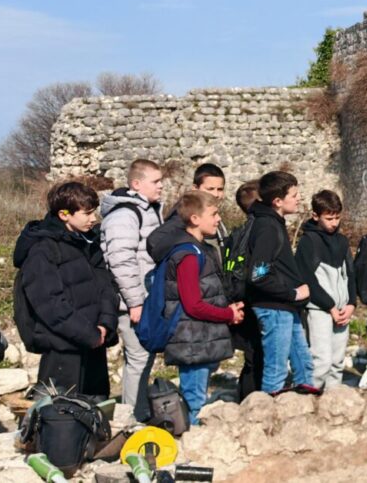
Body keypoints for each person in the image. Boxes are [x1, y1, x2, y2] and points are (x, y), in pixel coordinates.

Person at [13, 181, 117, 399]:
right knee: (59, 414)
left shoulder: (88, 242)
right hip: (62, 350)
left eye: (94, 212)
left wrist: (105, 324)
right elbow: (50, 304)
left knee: (96, 410)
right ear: (64, 215)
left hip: (95, 343)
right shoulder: (42, 250)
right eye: (87, 213)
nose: (93, 218)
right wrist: (88, 334)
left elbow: (106, 286)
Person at [162, 191, 243, 424]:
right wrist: (227, 314)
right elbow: (193, 305)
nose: (219, 219)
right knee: (195, 400)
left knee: (198, 396)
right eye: (214, 214)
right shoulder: (187, 254)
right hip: (192, 339)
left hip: (200, 338)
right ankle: (192, 441)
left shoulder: (202, 249)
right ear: (195, 219)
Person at [100, 159, 164, 420]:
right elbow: (121, 260)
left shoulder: (147, 210)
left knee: (144, 357)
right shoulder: (125, 215)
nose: (161, 186)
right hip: (132, 302)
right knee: (138, 358)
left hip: (144, 299)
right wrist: (135, 301)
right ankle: (131, 419)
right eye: (155, 181)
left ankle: (138, 412)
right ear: (136, 184)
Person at [245, 171, 315, 394]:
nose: (299, 198)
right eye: (293, 195)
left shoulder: (273, 222)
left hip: (284, 306)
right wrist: (292, 293)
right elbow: (259, 273)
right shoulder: (267, 227)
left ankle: (306, 406)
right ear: (277, 201)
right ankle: (268, 413)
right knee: (276, 371)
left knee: (304, 364)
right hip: (273, 307)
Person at [295, 190, 356, 390]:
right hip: (319, 309)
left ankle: (333, 399)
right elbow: (307, 279)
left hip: (342, 309)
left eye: (337, 217)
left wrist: (351, 303)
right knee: (321, 359)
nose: (334, 223)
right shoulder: (308, 242)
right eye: (329, 219)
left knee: (337, 361)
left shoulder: (342, 241)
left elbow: (350, 274)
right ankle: (308, 396)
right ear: (316, 216)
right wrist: (329, 306)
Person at [147, 162, 230, 264]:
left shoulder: (209, 213)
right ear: (195, 188)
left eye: (220, 189)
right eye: (210, 189)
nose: (216, 194)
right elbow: (154, 241)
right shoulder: (184, 215)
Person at [230, 179, 263, 399]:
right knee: (256, 357)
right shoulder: (257, 229)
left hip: (246, 298)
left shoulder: (244, 230)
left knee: (254, 357)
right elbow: (258, 268)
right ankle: (250, 402)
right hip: (254, 300)